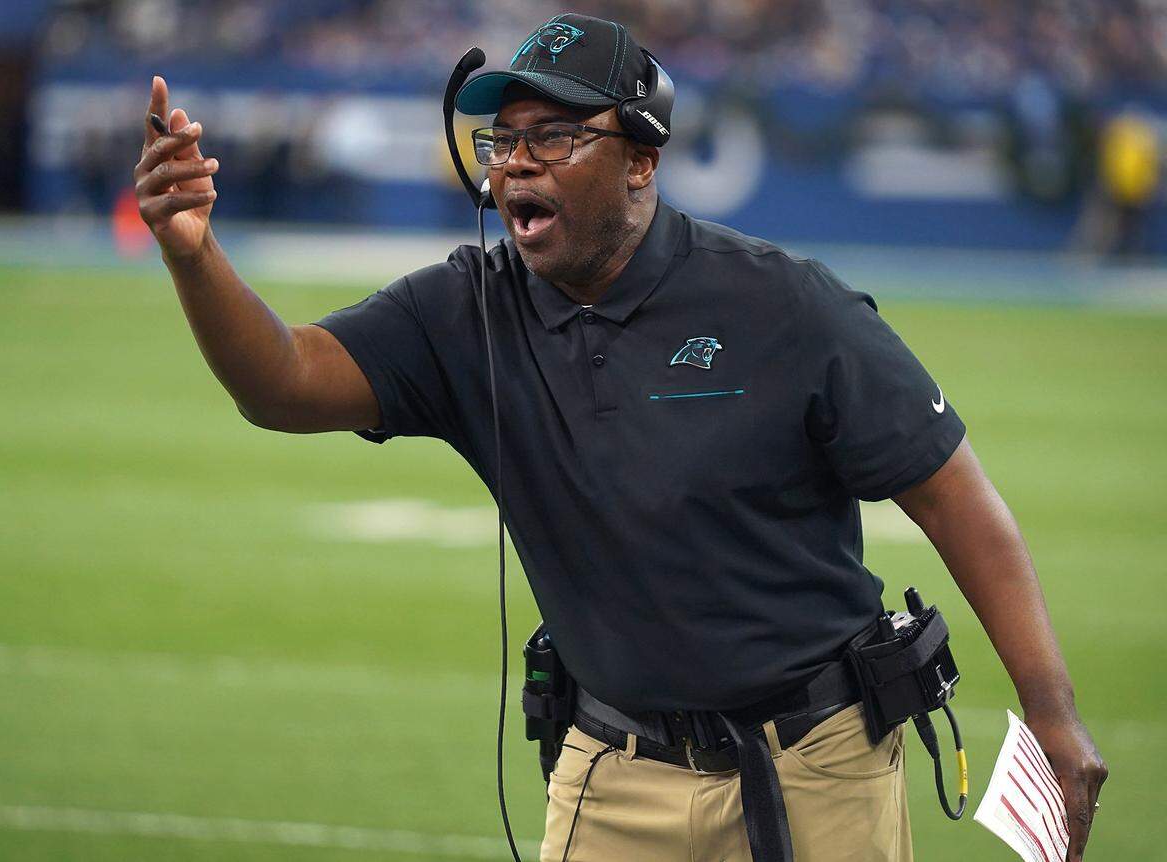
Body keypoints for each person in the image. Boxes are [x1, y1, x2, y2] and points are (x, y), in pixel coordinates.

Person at [133, 12, 1107, 862]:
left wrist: (1053, 714)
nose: (516, 161)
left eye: (555, 136)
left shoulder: (785, 305)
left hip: (816, 764)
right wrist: (193, 253)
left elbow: (955, 498)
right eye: (503, 140)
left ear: (641, 159)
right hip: (610, 766)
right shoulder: (465, 311)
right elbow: (282, 381)